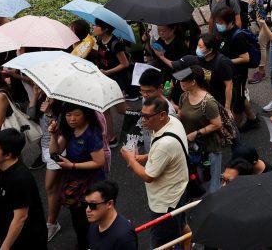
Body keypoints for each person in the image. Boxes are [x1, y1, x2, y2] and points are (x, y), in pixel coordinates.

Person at [119, 98, 190, 250]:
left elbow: (148, 176)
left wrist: (131, 160)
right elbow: (165, 154)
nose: (142, 120)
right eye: (141, 115)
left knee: (160, 244)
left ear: (162, 115)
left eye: (147, 117)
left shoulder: (164, 144)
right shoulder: (173, 122)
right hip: (179, 191)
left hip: (165, 202)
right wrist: (145, 157)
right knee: (181, 225)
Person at [47, 104, 107, 250]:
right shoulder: (69, 130)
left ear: (85, 114)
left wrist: (72, 166)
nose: (72, 119)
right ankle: (83, 243)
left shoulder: (92, 133)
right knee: (78, 220)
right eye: (68, 115)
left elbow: (99, 161)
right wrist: (54, 135)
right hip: (75, 181)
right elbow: (55, 153)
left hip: (92, 183)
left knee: (90, 219)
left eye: (76, 114)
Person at [0, 127, 48, 250]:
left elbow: (20, 217)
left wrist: (5, 246)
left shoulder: (20, 178)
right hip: (8, 229)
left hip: (27, 238)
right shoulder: (3, 168)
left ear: (8, 155)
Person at [174, 66, 228, 193]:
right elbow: (181, 115)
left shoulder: (208, 102)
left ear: (193, 82)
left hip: (209, 147)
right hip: (191, 146)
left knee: (213, 185)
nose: (180, 83)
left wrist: (196, 133)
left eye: (183, 80)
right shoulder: (184, 96)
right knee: (198, 178)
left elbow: (217, 124)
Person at [82, 180, 137, 250]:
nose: (87, 209)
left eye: (92, 205)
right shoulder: (94, 224)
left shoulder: (124, 237)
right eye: (85, 204)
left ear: (109, 204)